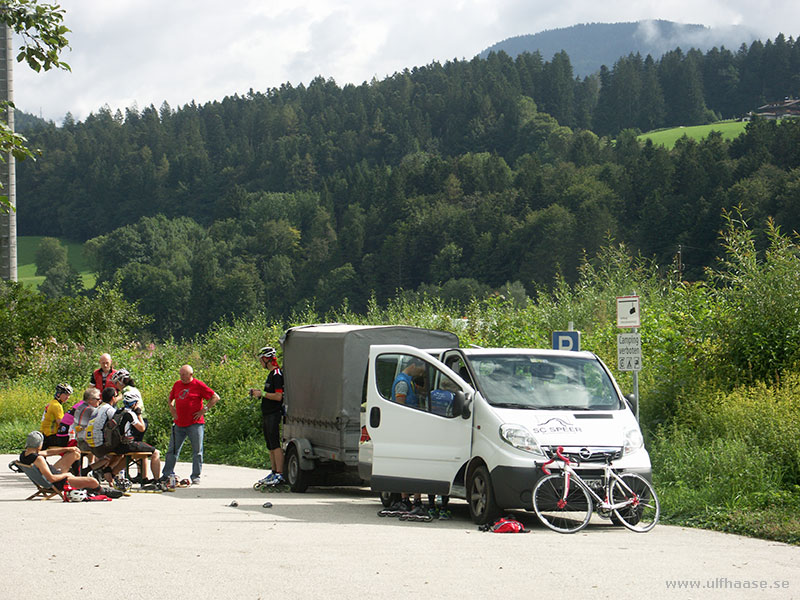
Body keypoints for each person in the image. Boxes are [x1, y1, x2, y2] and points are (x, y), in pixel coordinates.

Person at [162, 364, 220, 485]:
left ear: (191, 375)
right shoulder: (177, 384)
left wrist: (205, 409)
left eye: (184, 375)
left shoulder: (198, 385)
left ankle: (196, 475)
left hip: (195, 423)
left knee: (197, 451)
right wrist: (171, 408)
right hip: (179, 423)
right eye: (180, 374)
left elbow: (215, 397)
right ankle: (167, 473)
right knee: (172, 450)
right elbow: (170, 398)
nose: (182, 377)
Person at [18, 431, 105, 500]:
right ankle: (102, 491)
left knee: (74, 453)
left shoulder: (25, 455)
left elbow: (48, 452)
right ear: (39, 445)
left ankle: (80, 479)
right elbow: (51, 478)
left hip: (52, 476)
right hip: (59, 481)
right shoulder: (38, 459)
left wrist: (68, 449)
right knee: (93, 481)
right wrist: (67, 474)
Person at [250, 346, 285, 487]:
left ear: (267, 359)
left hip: (274, 413)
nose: (260, 363)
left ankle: (280, 474)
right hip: (267, 413)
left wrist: (262, 394)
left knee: (275, 444)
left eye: (261, 360)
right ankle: (273, 470)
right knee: (269, 444)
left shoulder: (277, 374)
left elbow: (278, 396)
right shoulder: (271, 374)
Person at [116, 389, 163, 488]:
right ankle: (157, 480)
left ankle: (142, 477)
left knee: (137, 455)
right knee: (156, 452)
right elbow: (142, 428)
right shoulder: (131, 414)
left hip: (118, 443)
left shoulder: (119, 411)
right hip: (128, 443)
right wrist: (139, 415)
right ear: (135, 403)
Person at [111, 368, 147, 441]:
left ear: (121, 382)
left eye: (116, 383)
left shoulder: (127, 390)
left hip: (137, 420)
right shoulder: (131, 388)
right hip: (141, 419)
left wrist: (114, 400)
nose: (115, 385)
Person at [39, 383, 73, 449]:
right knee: (73, 443)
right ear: (59, 394)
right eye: (66, 394)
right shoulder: (57, 406)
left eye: (69, 395)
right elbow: (61, 424)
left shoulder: (52, 403)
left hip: (44, 435)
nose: (68, 397)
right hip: (50, 437)